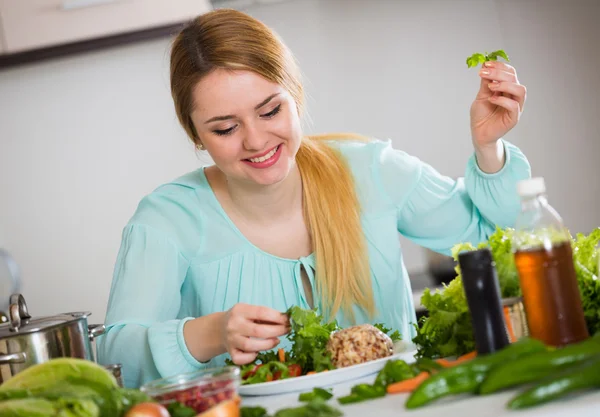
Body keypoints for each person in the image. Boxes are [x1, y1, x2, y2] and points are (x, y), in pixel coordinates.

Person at [97, 8, 531, 388]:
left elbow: (500, 242)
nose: (256, 140)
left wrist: (488, 148)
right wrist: (209, 334)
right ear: (195, 135)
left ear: (296, 95)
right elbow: (116, 360)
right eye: (225, 129)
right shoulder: (166, 220)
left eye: (270, 111)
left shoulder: (371, 171)